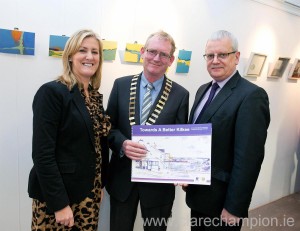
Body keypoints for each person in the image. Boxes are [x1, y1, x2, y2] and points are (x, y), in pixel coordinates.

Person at [185, 30, 270, 230]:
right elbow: (195, 141)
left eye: (222, 55)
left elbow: (249, 159)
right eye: (210, 55)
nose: (215, 61)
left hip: (223, 205)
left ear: (236, 57)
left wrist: (235, 207)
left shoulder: (251, 96)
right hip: (198, 197)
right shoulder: (203, 89)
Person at [28, 29, 111, 230]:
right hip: (59, 199)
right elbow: (42, 154)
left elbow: (98, 146)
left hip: (89, 197)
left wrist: (99, 186)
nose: (90, 57)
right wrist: (60, 204)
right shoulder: (52, 92)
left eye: (95, 51)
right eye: (83, 50)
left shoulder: (94, 96)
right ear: (70, 56)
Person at [106, 30, 189, 231]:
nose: (156, 58)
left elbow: (180, 141)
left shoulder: (180, 95)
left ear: (171, 60)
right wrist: (122, 144)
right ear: (142, 52)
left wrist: (184, 169)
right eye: (152, 51)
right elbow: (109, 128)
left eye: (164, 55)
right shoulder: (121, 85)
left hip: (159, 186)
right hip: (122, 179)